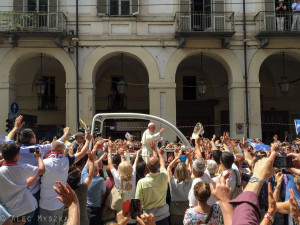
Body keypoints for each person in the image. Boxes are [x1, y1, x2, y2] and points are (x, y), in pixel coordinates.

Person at [39, 133, 92, 225]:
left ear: (51, 149)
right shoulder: (66, 161)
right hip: (60, 203)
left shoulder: (42, 163)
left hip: (45, 205)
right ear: (62, 150)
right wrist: (88, 140)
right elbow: (83, 153)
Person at [0, 143, 45, 223]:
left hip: (11, 212)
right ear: (17, 155)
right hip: (28, 207)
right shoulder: (23, 167)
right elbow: (42, 170)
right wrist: (39, 157)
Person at [135, 144, 170, 225]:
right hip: (163, 216)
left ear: (147, 166)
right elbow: (162, 164)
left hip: (147, 217)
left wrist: (138, 219)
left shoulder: (141, 182)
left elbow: (138, 202)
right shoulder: (164, 177)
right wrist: (159, 154)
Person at [67, 149, 96, 225]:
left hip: (69, 220)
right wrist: (92, 160)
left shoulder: (65, 191)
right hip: (83, 221)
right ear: (78, 183)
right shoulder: (83, 189)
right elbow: (90, 175)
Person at [81, 143, 106, 225]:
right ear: (96, 171)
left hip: (84, 208)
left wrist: (94, 148)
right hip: (95, 210)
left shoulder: (83, 174)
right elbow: (103, 191)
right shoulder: (100, 180)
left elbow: (89, 163)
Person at [167, 151, 192, 225]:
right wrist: (190, 159)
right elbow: (194, 170)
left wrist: (177, 157)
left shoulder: (172, 182)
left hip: (174, 212)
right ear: (186, 171)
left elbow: (169, 168)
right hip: (187, 211)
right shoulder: (190, 181)